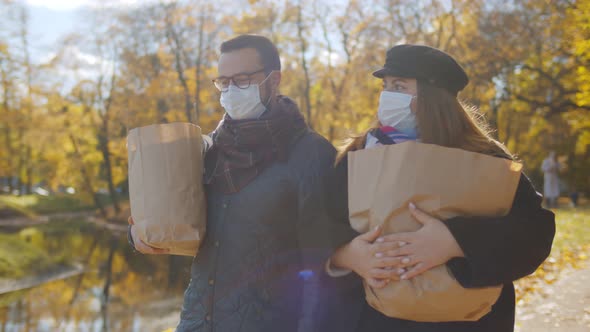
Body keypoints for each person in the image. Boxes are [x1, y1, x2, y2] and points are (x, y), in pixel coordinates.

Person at [128, 34, 353, 331]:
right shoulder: (209, 150)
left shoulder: (311, 155)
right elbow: (181, 223)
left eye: (243, 79)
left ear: (274, 81)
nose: (231, 90)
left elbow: (322, 268)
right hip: (196, 323)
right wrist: (140, 235)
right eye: (224, 81)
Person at [325, 44, 556, 332]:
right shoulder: (359, 154)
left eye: (399, 86)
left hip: (469, 323)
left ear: (433, 97)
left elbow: (535, 232)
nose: (387, 96)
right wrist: (348, 254)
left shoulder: (485, 158)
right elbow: (318, 224)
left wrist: (455, 241)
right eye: (385, 86)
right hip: (377, 321)